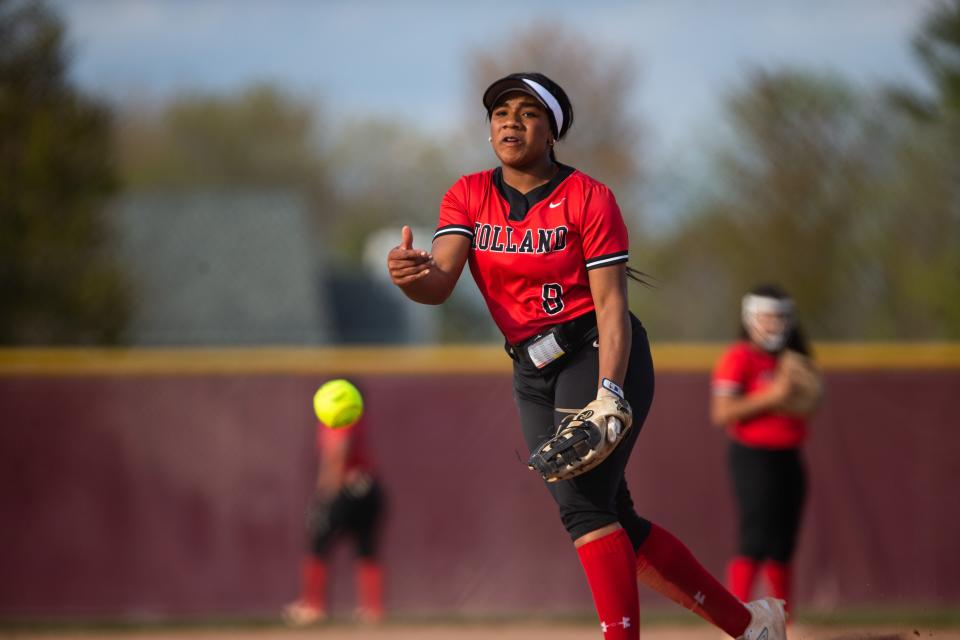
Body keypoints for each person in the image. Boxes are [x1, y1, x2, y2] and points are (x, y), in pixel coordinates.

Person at [386, 71, 786, 640]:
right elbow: (439, 282)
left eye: (527, 113)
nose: (510, 123)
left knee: (580, 506)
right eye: (500, 113)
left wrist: (610, 391)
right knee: (611, 514)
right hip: (531, 368)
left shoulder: (588, 197)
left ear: (553, 130)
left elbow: (611, 306)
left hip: (596, 352)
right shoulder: (467, 194)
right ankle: (751, 628)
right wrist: (408, 278)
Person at [711, 284, 819, 616]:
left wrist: (804, 393)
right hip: (752, 456)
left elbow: (807, 404)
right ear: (751, 318)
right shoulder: (740, 357)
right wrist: (775, 395)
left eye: (781, 317)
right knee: (755, 537)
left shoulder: (794, 360)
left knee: (783, 544)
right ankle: (738, 617)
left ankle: (785, 619)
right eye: (767, 317)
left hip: (790, 454)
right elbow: (722, 412)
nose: (774, 324)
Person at [283, 395, 386, 626]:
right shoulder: (357, 418)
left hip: (346, 490)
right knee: (366, 547)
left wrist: (324, 497)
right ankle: (373, 609)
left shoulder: (334, 422)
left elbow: (336, 456)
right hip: (370, 487)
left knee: (319, 543)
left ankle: (313, 606)